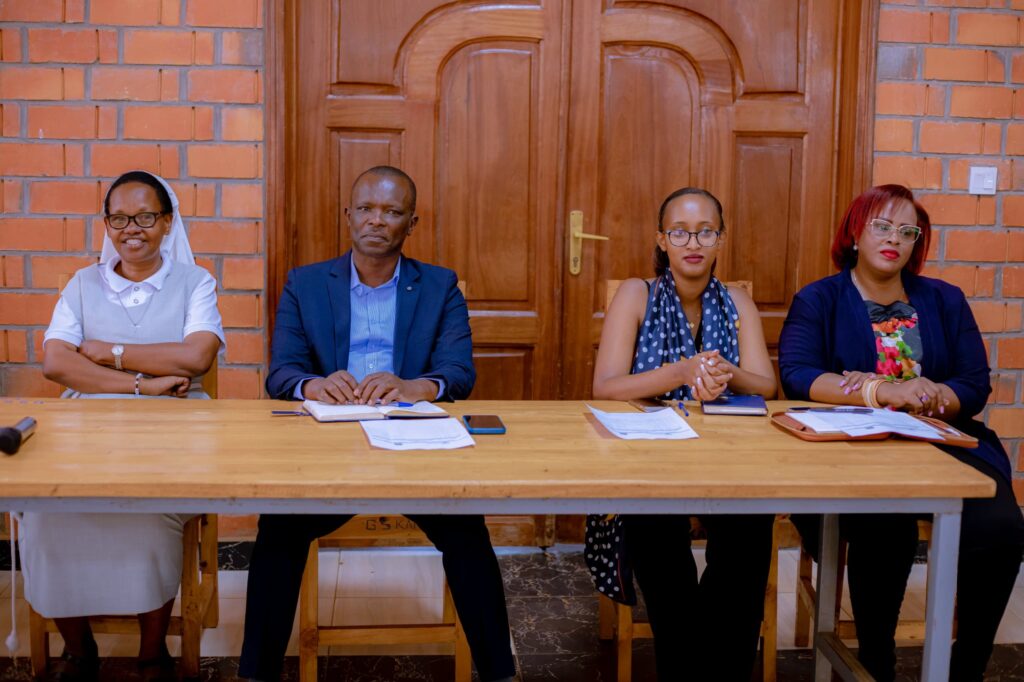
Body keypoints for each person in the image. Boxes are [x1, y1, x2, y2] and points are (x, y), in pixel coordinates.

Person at [239, 166, 516, 682]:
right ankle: (255, 674)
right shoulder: (305, 283)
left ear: (411, 222)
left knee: (467, 533)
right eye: (365, 208)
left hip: (413, 445)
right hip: (327, 446)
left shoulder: (439, 286)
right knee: (277, 528)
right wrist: (313, 385)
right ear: (348, 215)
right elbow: (282, 373)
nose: (376, 220)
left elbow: (459, 372)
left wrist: (416, 386)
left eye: (391, 212)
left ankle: (501, 673)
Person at [779, 184, 1024, 681]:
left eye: (907, 231)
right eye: (882, 226)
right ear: (854, 233)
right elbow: (799, 375)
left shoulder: (945, 300)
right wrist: (882, 392)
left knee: (1001, 527)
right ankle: (876, 661)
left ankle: (968, 664)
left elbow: (974, 384)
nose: (895, 238)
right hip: (857, 445)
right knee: (883, 525)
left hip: (941, 437)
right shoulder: (819, 298)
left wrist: (930, 395)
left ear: (916, 243)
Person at [26, 170, 224, 682]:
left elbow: (196, 357)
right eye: (118, 218)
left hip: (170, 433)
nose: (130, 229)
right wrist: (143, 384)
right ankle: (79, 651)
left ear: (167, 222)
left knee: (148, 511)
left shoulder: (195, 282)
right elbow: (56, 363)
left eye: (144, 217)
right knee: (45, 514)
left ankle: (151, 654)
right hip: (85, 431)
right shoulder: (82, 283)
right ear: (107, 223)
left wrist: (106, 352)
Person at [589, 187, 778, 680]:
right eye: (680, 232)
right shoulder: (637, 294)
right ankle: (686, 661)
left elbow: (766, 385)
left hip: (728, 458)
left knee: (749, 532)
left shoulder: (737, 300)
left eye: (705, 232)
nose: (693, 243)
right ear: (662, 239)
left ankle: (720, 665)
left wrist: (724, 372)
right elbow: (606, 386)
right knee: (655, 532)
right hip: (651, 458)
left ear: (720, 238)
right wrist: (680, 372)